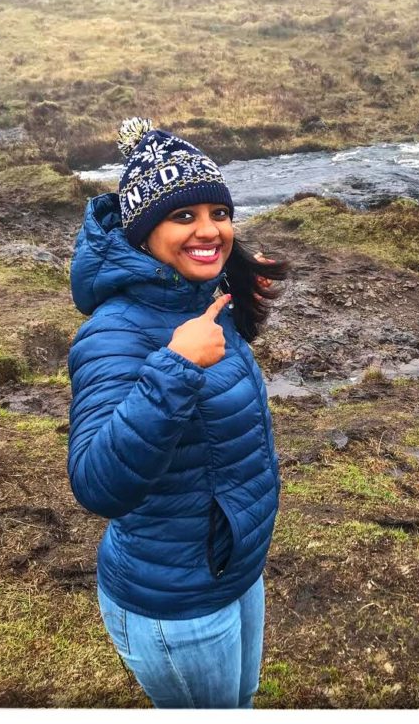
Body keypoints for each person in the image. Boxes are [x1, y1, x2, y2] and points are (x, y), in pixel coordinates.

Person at [66, 117, 289, 708]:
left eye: (219, 213)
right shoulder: (112, 335)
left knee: (239, 705)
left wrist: (239, 282)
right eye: (184, 216)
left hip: (233, 569)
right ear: (143, 233)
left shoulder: (205, 299)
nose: (209, 230)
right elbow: (96, 483)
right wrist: (175, 368)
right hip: (174, 601)